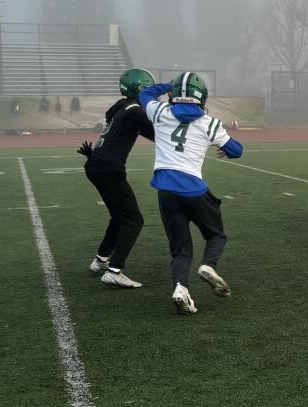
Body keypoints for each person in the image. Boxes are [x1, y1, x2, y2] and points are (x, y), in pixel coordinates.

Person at [140, 72, 243, 315]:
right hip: (194, 189)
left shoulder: (160, 112)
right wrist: (224, 148)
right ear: (202, 97)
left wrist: (170, 86)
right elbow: (237, 150)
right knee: (216, 235)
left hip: (165, 189)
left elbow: (145, 93)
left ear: (174, 94)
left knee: (180, 248)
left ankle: (180, 288)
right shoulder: (209, 122)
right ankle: (208, 265)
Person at [80, 68, 156, 288]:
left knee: (119, 217)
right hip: (108, 169)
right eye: (148, 89)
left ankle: (101, 260)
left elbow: (147, 132)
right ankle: (114, 270)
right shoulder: (134, 110)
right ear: (139, 89)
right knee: (134, 220)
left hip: (95, 164)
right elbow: (159, 132)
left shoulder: (123, 107)